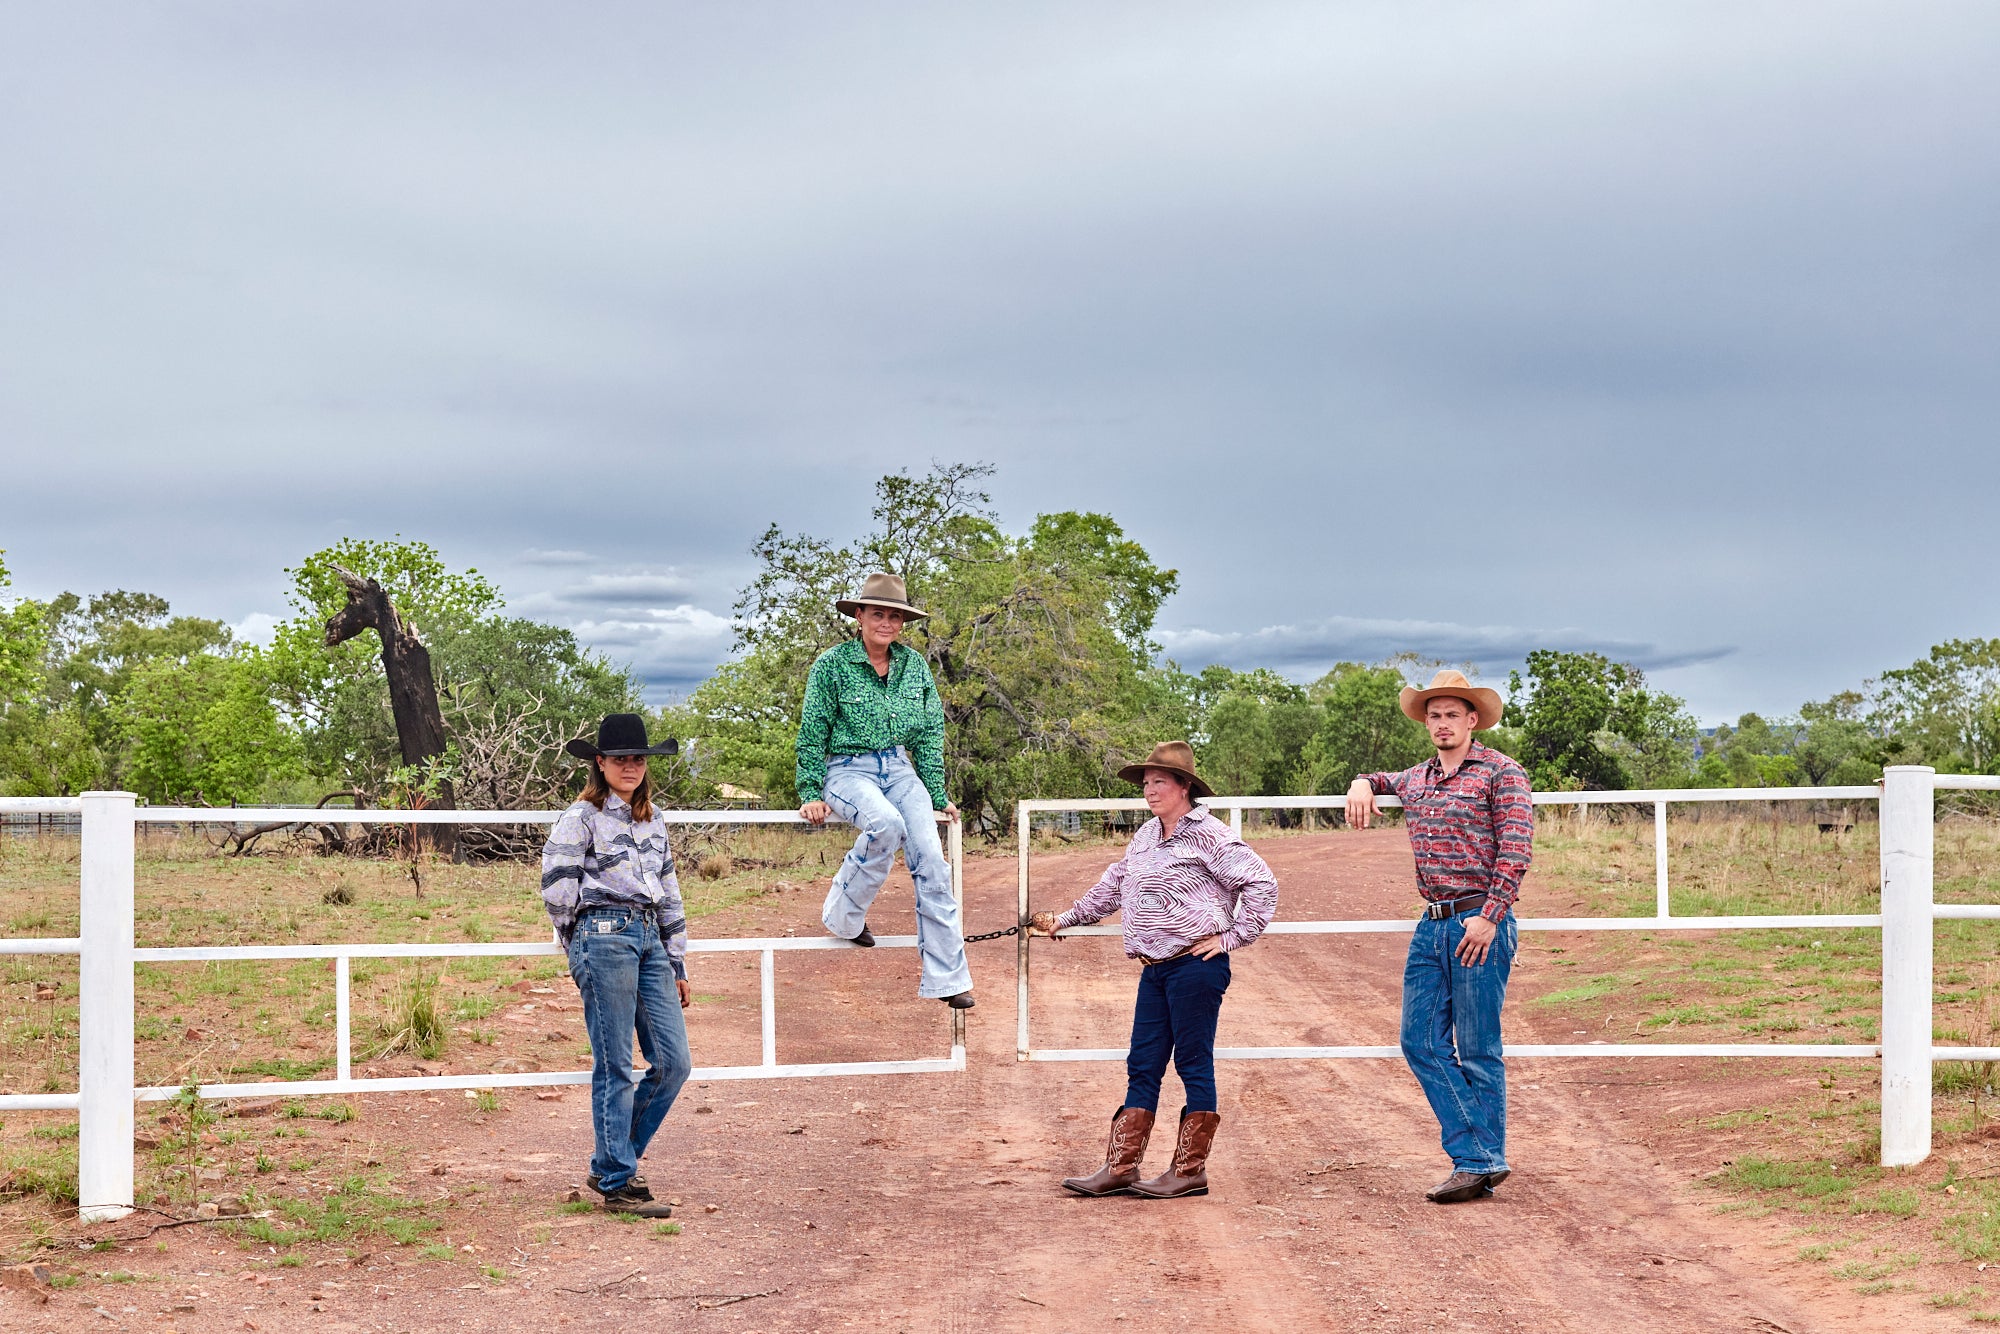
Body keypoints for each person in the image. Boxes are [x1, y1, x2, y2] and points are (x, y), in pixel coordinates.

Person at [1030, 741, 1279, 1200]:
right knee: (1143, 1063)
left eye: (1159, 781)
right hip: (1154, 968)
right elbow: (1114, 885)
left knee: (1192, 1062)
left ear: (1184, 787)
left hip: (1195, 967)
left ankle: (1189, 1171)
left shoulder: (1211, 836)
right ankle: (1121, 1167)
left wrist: (1232, 937)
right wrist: (1066, 919)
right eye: (1146, 783)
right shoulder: (1145, 836)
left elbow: (1261, 882)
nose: (1149, 790)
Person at [1347, 670, 1534, 1205]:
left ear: (1473, 720)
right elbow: (1380, 778)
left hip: (1479, 921)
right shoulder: (1416, 778)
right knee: (1420, 1041)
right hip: (1431, 924)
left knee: (1477, 1047)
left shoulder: (1502, 772)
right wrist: (1362, 782)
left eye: (1453, 714)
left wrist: (1491, 916)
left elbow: (1516, 849)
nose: (1442, 723)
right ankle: (1481, 1156)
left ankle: (1476, 1162)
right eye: (1434, 715)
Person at [797, 571, 974, 1009]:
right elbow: (813, 730)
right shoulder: (832, 665)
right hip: (847, 769)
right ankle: (844, 915)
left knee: (932, 859)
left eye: (895, 617)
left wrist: (936, 793)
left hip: (899, 769)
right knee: (886, 825)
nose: (887, 623)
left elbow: (929, 734)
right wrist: (810, 790)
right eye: (878, 614)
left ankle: (948, 979)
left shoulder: (914, 667)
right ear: (859, 616)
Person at [542, 713, 691, 1219]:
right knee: (615, 1063)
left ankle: (612, 1161)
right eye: (620, 758)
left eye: (638, 759)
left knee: (673, 1062)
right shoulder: (581, 817)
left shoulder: (654, 819)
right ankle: (617, 1179)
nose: (631, 766)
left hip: (650, 939)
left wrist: (676, 959)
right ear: (600, 763)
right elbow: (557, 885)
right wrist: (577, 940)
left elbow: (669, 889)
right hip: (603, 934)